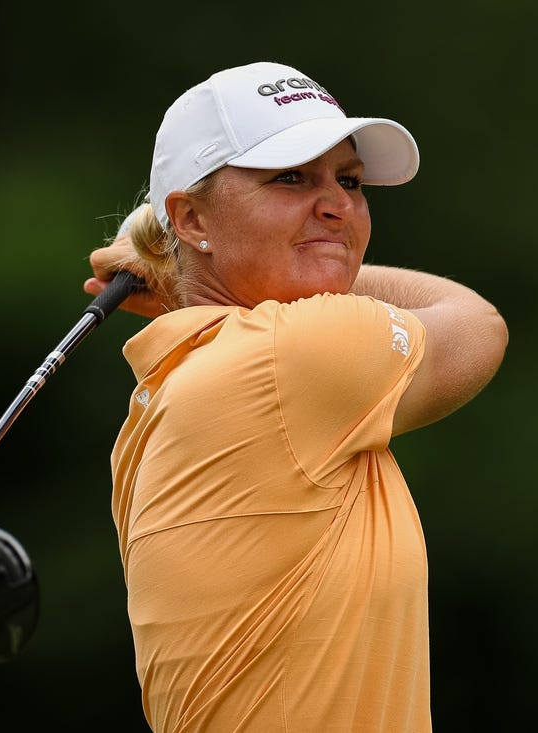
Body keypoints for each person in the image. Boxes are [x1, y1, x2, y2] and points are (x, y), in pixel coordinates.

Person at [83, 61, 508, 732]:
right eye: (290, 177)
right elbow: (478, 324)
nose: (338, 203)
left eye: (348, 180)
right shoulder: (289, 359)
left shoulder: (177, 387)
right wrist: (323, 258)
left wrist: (198, 267)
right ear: (190, 217)